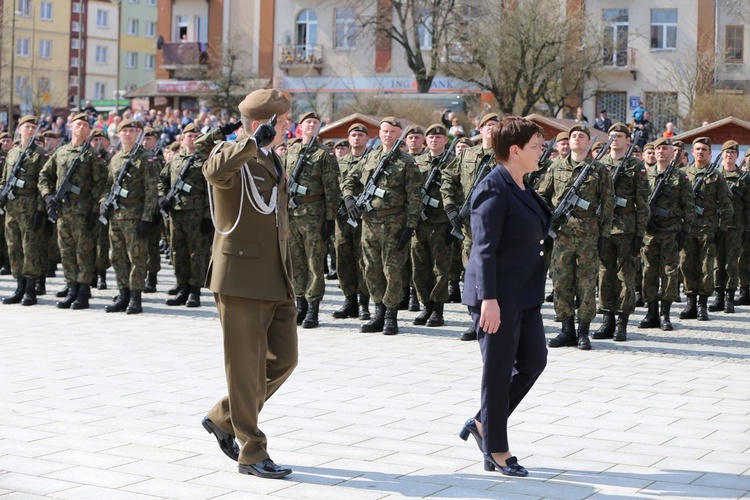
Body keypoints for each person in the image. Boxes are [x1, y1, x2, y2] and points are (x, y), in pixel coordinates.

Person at [199, 89, 297, 479]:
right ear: (263, 124)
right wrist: (251, 141)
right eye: (284, 120)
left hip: (275, 275)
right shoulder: (234, 154)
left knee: (285, 359)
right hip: (241, 278)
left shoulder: (272, 158)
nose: (289, 126)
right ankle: (252, 452)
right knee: (245, 369)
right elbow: (212, 170)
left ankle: (223, 416)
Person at [459, 116, 550, 477]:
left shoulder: (523, 185)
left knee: (534, 361)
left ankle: (483, 423)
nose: (541, 150)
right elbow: (483, 248)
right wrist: (489, 300)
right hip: (497, 296)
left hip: (524, 292)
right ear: (515, 151)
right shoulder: (493, 188)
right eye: (535, 146)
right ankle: (497, 448)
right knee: (497, 372)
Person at [341, 117, 422, 335]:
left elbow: (415, 196)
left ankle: (390, 315)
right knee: (370, 268)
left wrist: (410, 225)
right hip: (369, 223)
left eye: (393, 132)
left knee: (392, 271)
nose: (388, 135)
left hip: (394, 223)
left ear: (399, 135)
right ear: (379, 134)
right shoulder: (369, 158)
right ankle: (378, 311)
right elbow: (349, 179)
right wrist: (349, 198)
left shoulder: (406, 161)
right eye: (385, 131)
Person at [539, 125, 614, 350]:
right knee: (561, 282)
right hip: (562, 234)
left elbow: (608, 202)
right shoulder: (556, 167)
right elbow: (543, 195)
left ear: (588, 142)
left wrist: (605, 233)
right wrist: (549, 220)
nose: (576, 139)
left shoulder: (599, 170)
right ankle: (566, 329)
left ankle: (583, 331)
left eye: (581, 136)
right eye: (573, 136)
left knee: (586, 283)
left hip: (588, 235)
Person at [441, 113, 500, 341]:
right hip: (469, 226)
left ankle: (495, 319)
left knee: (496, 272)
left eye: (496, 126)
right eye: (487, 126)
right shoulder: (467, 154)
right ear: (480, 128)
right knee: (472, 274)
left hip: (497, 225)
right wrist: (450, 207)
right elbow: (447, 176)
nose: (491, 129)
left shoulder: (506, 155)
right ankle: (476, 321)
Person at [39, 113, 105, 310]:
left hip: (83, 213)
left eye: (84, 125)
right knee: (66, 252)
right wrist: (48, 196)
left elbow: (99, 184)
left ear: (88, 131)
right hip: (62, 212)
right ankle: (71, 288)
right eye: (77, 124)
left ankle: (83, 291)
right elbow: (44, 175)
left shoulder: (91, 154)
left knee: (83, 252)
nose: (80, 128)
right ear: (70, 127)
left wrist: (94, 210)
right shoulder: (61, 152)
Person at [281, 111, 340, 329]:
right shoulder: (291, 150)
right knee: (296, 262)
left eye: (315, 123)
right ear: (300, 126)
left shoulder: (325, 154)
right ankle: (300, 304)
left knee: (315, 263)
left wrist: (329, 218)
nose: (311, 125)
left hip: (314, 215)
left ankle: (313, 309)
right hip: (292, 213)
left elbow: (332, 188)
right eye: (308, 122)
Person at [592, 123, 650, 342]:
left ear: (628, 140)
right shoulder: (599, 164)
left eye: (619, 136)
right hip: (604, 228)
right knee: (604, 274)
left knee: (625, 276)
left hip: (626, 228)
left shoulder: (636, 166)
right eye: (612, 135)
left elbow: (643, 203)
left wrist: (639, 234)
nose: (615, 139)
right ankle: (607, 319)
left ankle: (622, 323)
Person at [100, 120, 159, 314]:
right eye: (125, 131)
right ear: (118, 134)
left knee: (137, 257)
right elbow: (109, 184)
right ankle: (122, 293)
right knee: (117, 257)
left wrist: (147, 218)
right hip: (116, 216)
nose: (129, 134)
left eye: (133, 131)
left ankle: (135, 297)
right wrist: (103, 201)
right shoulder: (116, 158)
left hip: (135, 216)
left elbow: (151, 191)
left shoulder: (145, 158)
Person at [638, 137, 694, 330]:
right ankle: (651, 312)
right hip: (649, 233)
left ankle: (665, 314)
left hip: (671, 231)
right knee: (648, 272)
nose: (660, 151)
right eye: (657, 149)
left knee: (669, 273)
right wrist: (645, 222)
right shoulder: (645, 174)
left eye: (664, 148)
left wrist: (685, 232)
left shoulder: (680, 177)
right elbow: (639, 202)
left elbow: (689, 206)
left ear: (672, 153)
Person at [158, 123, 212, 308]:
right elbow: (162, 180)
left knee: (197, 253)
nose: (192, 137)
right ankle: (182, 287)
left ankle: (195, 290)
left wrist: (208, 216)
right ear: (182, 139)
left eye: (196, 134)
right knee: (177, 251)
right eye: (189, 135)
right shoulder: (175, 160)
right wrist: (162, 197)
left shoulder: (205, 159)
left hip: (197, 213)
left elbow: (211, 190)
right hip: (176, 212)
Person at [679, 137, 733, 321]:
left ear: (710, 153)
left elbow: (727, 204)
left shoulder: (716, 176)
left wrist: (721, 228)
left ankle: (702, 305)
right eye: (697, 149)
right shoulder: (683, 173)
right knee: (686, 265)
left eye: (704, 149)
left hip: (708, 228)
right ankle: (690, 303)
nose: (700, 152)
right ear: (692, 152)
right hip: (687, 228)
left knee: (706, 267)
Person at [0, 116, 49, 305]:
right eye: (27, 126)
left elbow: (42, 184)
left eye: (33, 127)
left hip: (29, 206)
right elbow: (4, 177)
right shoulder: (12, 153)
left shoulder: (39, 154)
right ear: (19, 129)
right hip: (12, 206)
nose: (30, 130)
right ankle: (19, 286)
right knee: (13, 247)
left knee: (30, 248)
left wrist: (39, 209)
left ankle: (30, 289)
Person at [412, 124, 454, 326]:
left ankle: (438, 309)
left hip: (441, 222)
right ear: (425, 141)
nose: (434, 140)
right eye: (431, 137)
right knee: (419, 267)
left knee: (440, 268)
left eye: (439, 137)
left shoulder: (454, 162)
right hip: (419, 222)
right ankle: (425, 306)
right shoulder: (416, 162)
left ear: (446, 140)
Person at [332, 123, 371, 321]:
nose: (356, 138)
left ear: (367, 138)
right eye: (353, 135)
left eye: (360, 135)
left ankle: (364, 303)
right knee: (343, 258)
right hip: (342, 218)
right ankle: (350, 301)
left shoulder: (372, 160)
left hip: (363, 218)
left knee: (363, 259)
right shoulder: (339, 162)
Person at [710, 140, 750, 313]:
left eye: (733, 153)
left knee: (732, 263)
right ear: (723, 154)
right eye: (726, 152)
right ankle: (718, 296)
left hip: (736, 226)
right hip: (717, 225)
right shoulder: (714, 175)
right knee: (717, 263)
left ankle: (729, 298)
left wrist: (747, 227)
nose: (729, 155)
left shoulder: (745, 178)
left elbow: (748, 204)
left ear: (737, 155)